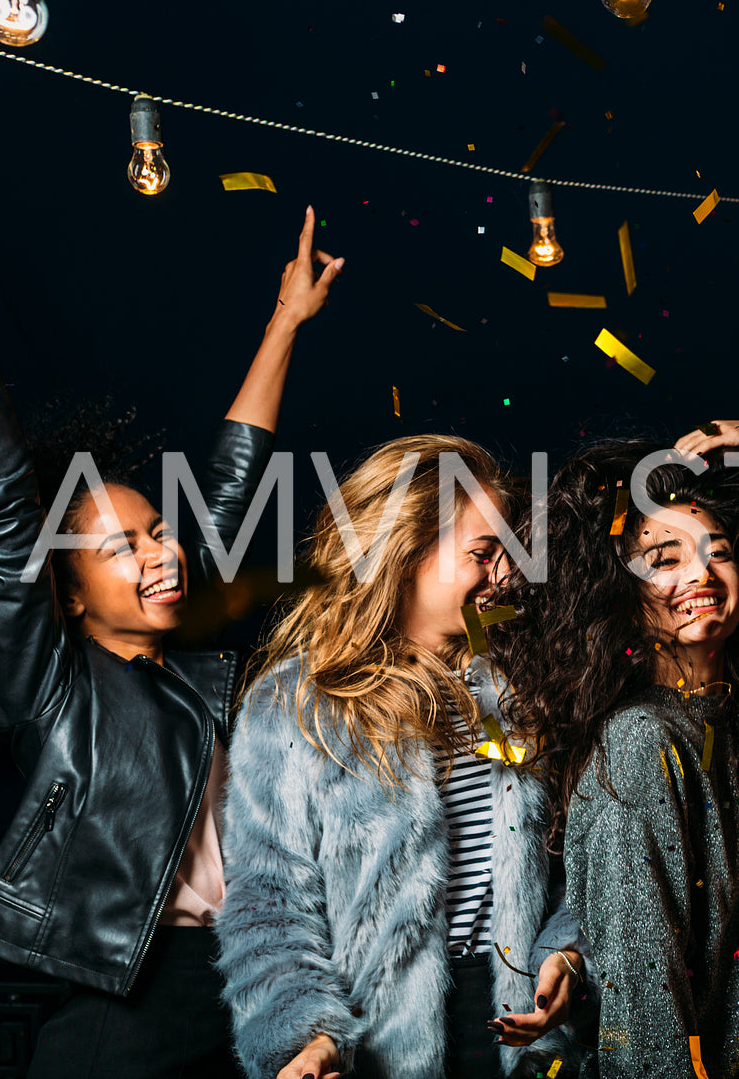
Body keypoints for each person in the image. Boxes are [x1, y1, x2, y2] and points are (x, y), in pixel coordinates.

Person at [0, 102, 342, 1078]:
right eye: (122, 546)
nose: (162, 554)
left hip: (253, 987)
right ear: (65, 587)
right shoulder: (49, 682)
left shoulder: (196, 680)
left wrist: (283, 322)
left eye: (161, 533)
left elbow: (224, 483)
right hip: (127, 1005)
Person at [487, 420, 739, 1078]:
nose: (699, 572)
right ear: (620, 592)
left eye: (717, 549)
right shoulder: (640, 745)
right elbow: (644, 1005)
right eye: (664, 559)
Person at [215, 435, 588, 1079]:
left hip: (520, 1031)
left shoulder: (527, 691)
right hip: (371, 1040)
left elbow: (585, 860)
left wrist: (567, 954)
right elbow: (268, 903)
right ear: (405, 550)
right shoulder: (294, 705)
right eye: (484, 551)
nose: (505, 573)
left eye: (511, 551)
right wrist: (309, 1035)